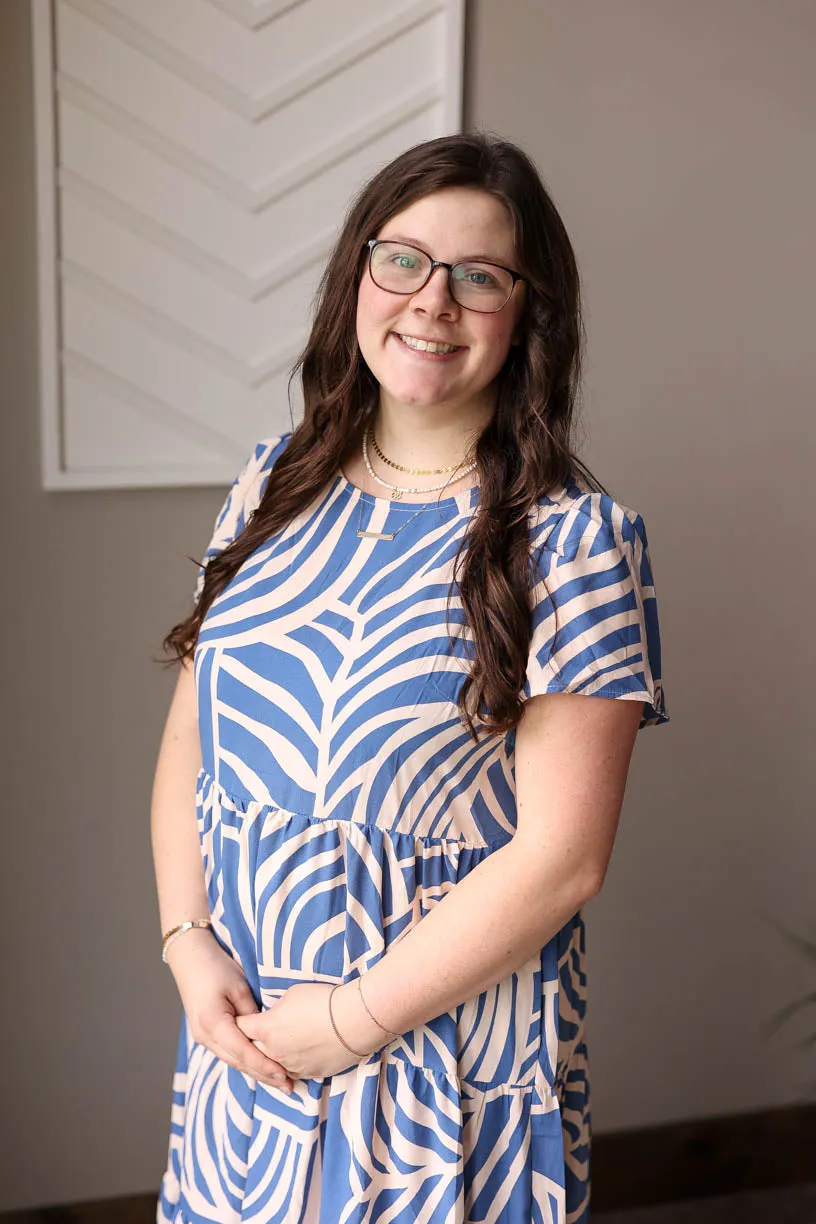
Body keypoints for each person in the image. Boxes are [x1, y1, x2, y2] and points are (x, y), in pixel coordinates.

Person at [151, 130, 669, 1224]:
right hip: (245, 1041)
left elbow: (563, 863)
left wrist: (348, 1022)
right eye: (406, 261)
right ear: (359, 275)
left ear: (529, 313)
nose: (432, 303)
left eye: (479, 277)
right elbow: (193, 745)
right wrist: (188, 944)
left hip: (444, 1068)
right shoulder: (269, 485)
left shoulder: (575, 544)